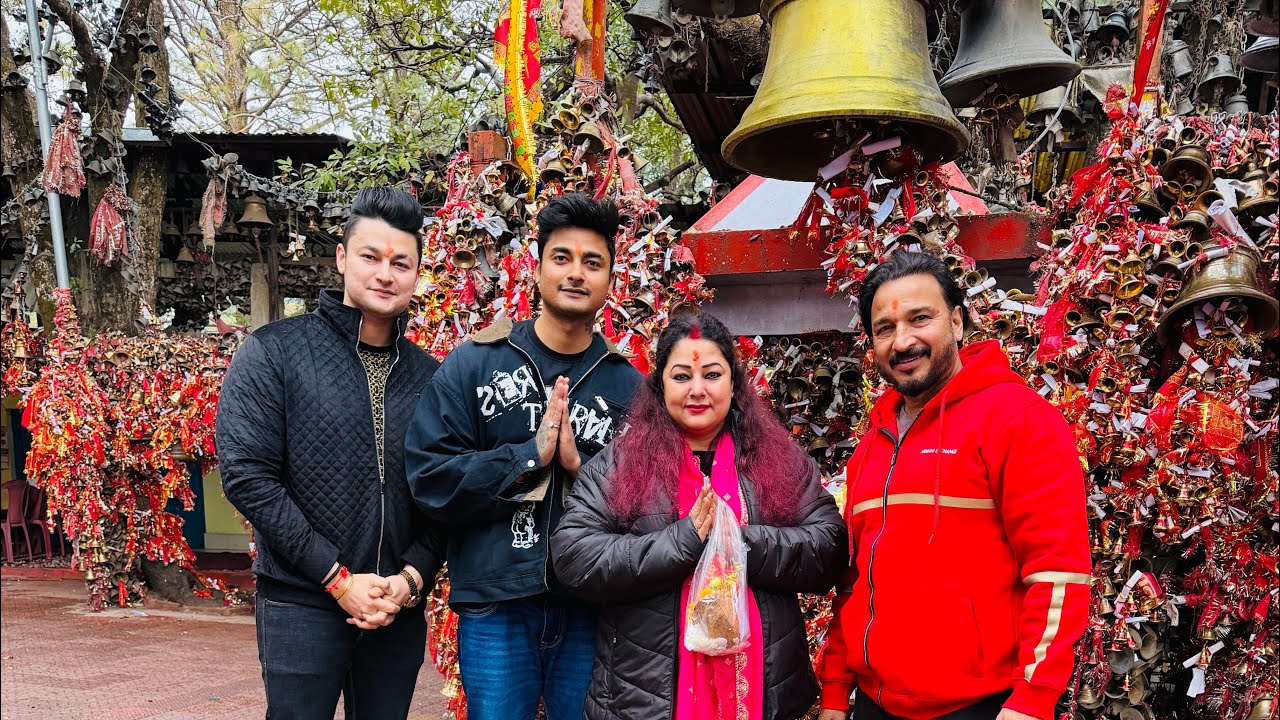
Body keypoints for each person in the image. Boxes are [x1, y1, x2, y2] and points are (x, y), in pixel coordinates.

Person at [817, 251, 1090, 720]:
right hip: (875, 704)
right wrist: (836, 692)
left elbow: (1058, 571)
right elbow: (855, 581)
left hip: (979, 706)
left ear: (958, 322)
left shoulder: (1019, 421)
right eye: (885, 328)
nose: (903, 341)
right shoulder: (873, 445)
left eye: (919, 319)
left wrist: (1032, 699)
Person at [405, 193, 642, 720]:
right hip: (495, 603)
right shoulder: (475, 364)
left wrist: (581, 468)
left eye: (592, 262)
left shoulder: (629, 387)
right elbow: (430, 477)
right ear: (536, 270)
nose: (576, 273)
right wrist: (527, 457)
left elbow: (647, 507)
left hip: (591, 606)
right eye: (562, 258)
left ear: (609, 280)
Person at [551, 311, 847, 720]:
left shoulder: (777, 459)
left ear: (733, 383)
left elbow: (829, 546)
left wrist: (739, 543)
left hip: (763, 696)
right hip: (647, 700)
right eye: (681, 377)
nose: (697, 390)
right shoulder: (620, 464)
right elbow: (574, 555)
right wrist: (684, 541)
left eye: (711, 375)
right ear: (659, 386)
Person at [217, 187, 443, 719]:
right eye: (370, 257)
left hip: (395, 605)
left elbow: (445, 490)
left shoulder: (432, 378)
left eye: (401, 263)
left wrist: (410, 579)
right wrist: (338, 580)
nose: (385, 274)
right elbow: (248, 477)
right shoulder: (275, 352)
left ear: (416, 274)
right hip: (302, 601)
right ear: (342, 258)